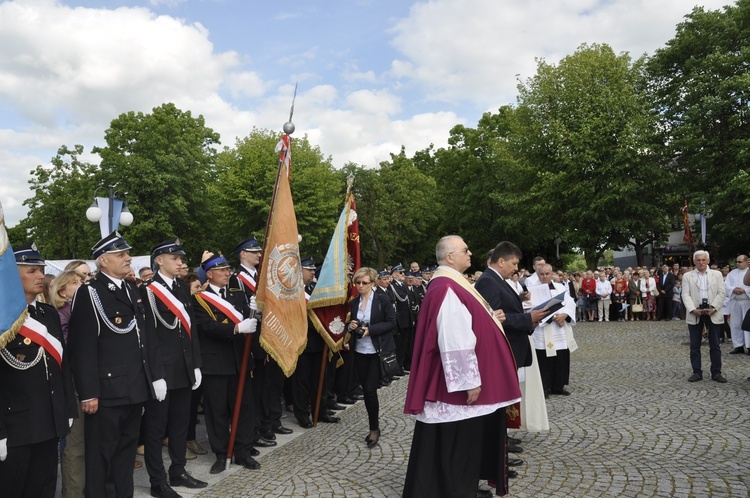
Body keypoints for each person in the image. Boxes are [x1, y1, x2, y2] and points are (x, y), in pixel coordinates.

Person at [403, 236, 521, 498]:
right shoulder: (447, 287)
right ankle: (456, 490)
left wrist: (491, 318)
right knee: (459, 441)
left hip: (455, 380)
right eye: (465, 250)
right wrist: (469, 380)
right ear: (449, 257)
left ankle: (457, 487)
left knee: (461, 439)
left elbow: (467, 321)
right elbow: (453, 337)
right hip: (456, 386)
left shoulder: (451, 283)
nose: (470, 253)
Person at [67, 231, 166, 498]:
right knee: (101, 458)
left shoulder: (133, 289)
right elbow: (82, 347)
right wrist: (88, 392)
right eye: (121, 254)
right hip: (107, 391)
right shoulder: (90, 293)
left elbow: (146, 336)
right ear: (103, 261)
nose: (128, 258)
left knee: (125, 454)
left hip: (135, 388)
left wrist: (155, 376)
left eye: (127, 253)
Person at [0, 243, 76, 498]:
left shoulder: (48, 314)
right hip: (15, 426)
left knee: (43, 486)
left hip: (49, 420)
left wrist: (66, 409)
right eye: (32, 270)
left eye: (41, 269)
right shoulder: (2, 320)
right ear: (11, 274)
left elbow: (62, 367)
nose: (40, 275)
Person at [141, 239, 206, 497]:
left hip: (183, 369)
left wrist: (196, 365)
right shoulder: (147, 291)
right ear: (159, 260)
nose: (180, 262)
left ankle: (178, 471)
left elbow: (191, 331)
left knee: (180, 424)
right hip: (162, 372)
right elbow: (147, 338)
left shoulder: (181, 286)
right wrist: (155, 375)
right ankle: (158, 481)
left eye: (181, 258)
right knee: (156, 430)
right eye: (174, 258)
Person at [192, 253, 260, 474]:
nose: (226, 273)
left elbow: (249, 321)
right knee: (217, 411)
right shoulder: (199, 298)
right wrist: (236, 328)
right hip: (216, 363)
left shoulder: (237, 294)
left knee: (244, 408)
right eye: (221, 270)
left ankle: (242, 451)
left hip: (240, 360)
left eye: (227, 269)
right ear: (209, 274)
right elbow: (206, 327)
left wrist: (254, 313)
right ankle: (221, 454)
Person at [347, 267, 396, 448]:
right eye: (358, 282)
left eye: (364, 283)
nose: (360, 286)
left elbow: (391, 322)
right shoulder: (354, 303)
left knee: (369, 389)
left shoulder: (382, 299)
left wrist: (370, 330)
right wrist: (351, 326)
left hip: (377, 351)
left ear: (373, 283)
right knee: (366, 390)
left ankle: (374, 429)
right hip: (360, 351)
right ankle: (374, 425)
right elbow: (350, 324)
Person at [50, 270, 85, 498]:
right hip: (73, 385)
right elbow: (69, 349)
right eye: (75, 282)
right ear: (62, 291)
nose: (82, 284)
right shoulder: (63, 314)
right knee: (75, 446)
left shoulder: (77, 311)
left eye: (82, 280)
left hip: (83, 384)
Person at [530, 264, 577, 396]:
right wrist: (554, 316)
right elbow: (533, 308)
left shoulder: (560, 287)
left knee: (561, 357)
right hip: (544, 330)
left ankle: (558, 386)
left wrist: (565, 315)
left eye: (547, 274)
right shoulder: (533, 290)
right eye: (542, 274)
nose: (545, 277)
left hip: (560, 330)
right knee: (544, 360)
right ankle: (544, 388)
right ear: (538, 274)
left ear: (552, 274)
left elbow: (570, 302)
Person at [682, 250, 727, 383]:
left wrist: (713, 307)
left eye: (703, 260)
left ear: (708, 260)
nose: (701, 262)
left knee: (715, 344)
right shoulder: (688, 276)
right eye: (698, 260)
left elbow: (721, 293)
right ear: (694, 261)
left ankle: (716, 372)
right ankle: (697, 372)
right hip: (695, 312)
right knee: (695, 345)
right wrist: (692, 309)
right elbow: (685, 294)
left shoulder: (717, 274)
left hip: (713, 311)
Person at [724, 255, 750, 354]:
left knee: (747, 324)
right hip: (735, 301)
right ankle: (738, 345)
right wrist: (733, 289)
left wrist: (745, 290)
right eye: (737, 262)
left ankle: (749, 345)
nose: (737, 264)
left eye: (740, 262)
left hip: (747, 301)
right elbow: (726, 285)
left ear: (746, 262)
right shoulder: (732, 273)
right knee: (736, 324)